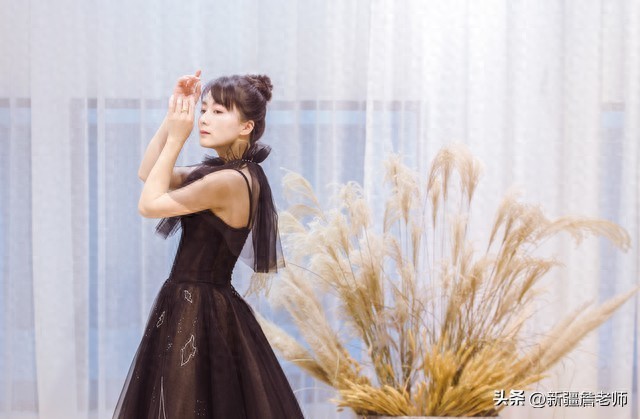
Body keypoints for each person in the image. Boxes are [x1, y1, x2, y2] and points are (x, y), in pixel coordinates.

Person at [112, 70, 305, 419]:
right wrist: (172, 119)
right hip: (200, 303)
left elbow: (148, 204)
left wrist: (177, 139)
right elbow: (148, 173)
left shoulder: (229, 181)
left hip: (198, 309)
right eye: (203, 110)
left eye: (218, 111)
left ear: (246, 126)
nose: (203, 119)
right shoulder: (230, 173)